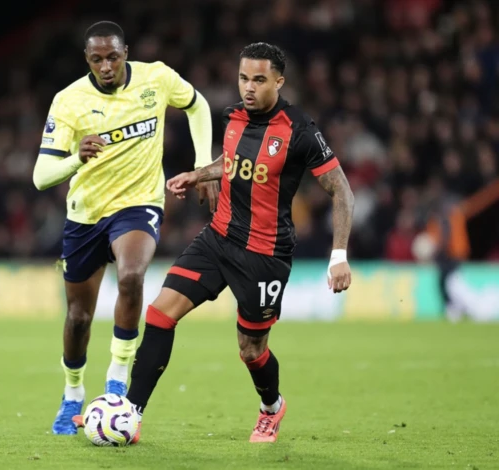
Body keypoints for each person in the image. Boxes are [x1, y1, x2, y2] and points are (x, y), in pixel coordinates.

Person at [76, 42, 355, 443]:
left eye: (259, 80)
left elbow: (341, 191)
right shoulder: (235, 117)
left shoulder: (301, 132)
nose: (248, 87)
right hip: (218, 238)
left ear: (279, 80)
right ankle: (130, 415)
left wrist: (339, 256)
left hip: (264, 255)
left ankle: (271, 407)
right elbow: (233, 161)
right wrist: (199, 175)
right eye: (244, 78)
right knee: (158, 314)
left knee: (250, 350)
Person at [32, 21, 218, 435]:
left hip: (138, 205)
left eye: (113, 56)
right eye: (97, 59)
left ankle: (117, 375)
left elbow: (197, 105)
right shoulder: (68, 102)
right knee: (79, 317)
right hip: (85, 215)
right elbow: (41, 176)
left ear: (126, 52)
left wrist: (204, 166)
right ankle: (73, 394)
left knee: (132, 277)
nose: (106, 65)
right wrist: (76, 158)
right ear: (87, 60)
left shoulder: (157, 78)